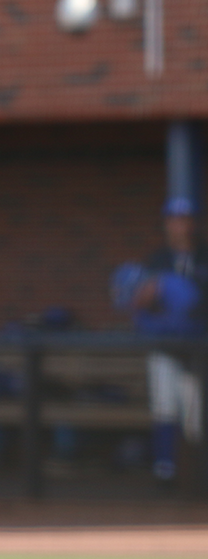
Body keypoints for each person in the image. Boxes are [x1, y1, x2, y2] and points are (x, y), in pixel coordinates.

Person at [116, 196, 207, 484]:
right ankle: (164, 472)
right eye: (175, 219)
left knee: (197, 416)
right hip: (165, 346)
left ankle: (200, 476)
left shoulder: (205, 256)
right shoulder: (157, 260)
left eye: (187, 219)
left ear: (195, 223)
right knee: (165, 408)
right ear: (167, 224)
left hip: (199, 348)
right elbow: (137, 303)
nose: (181, 225)